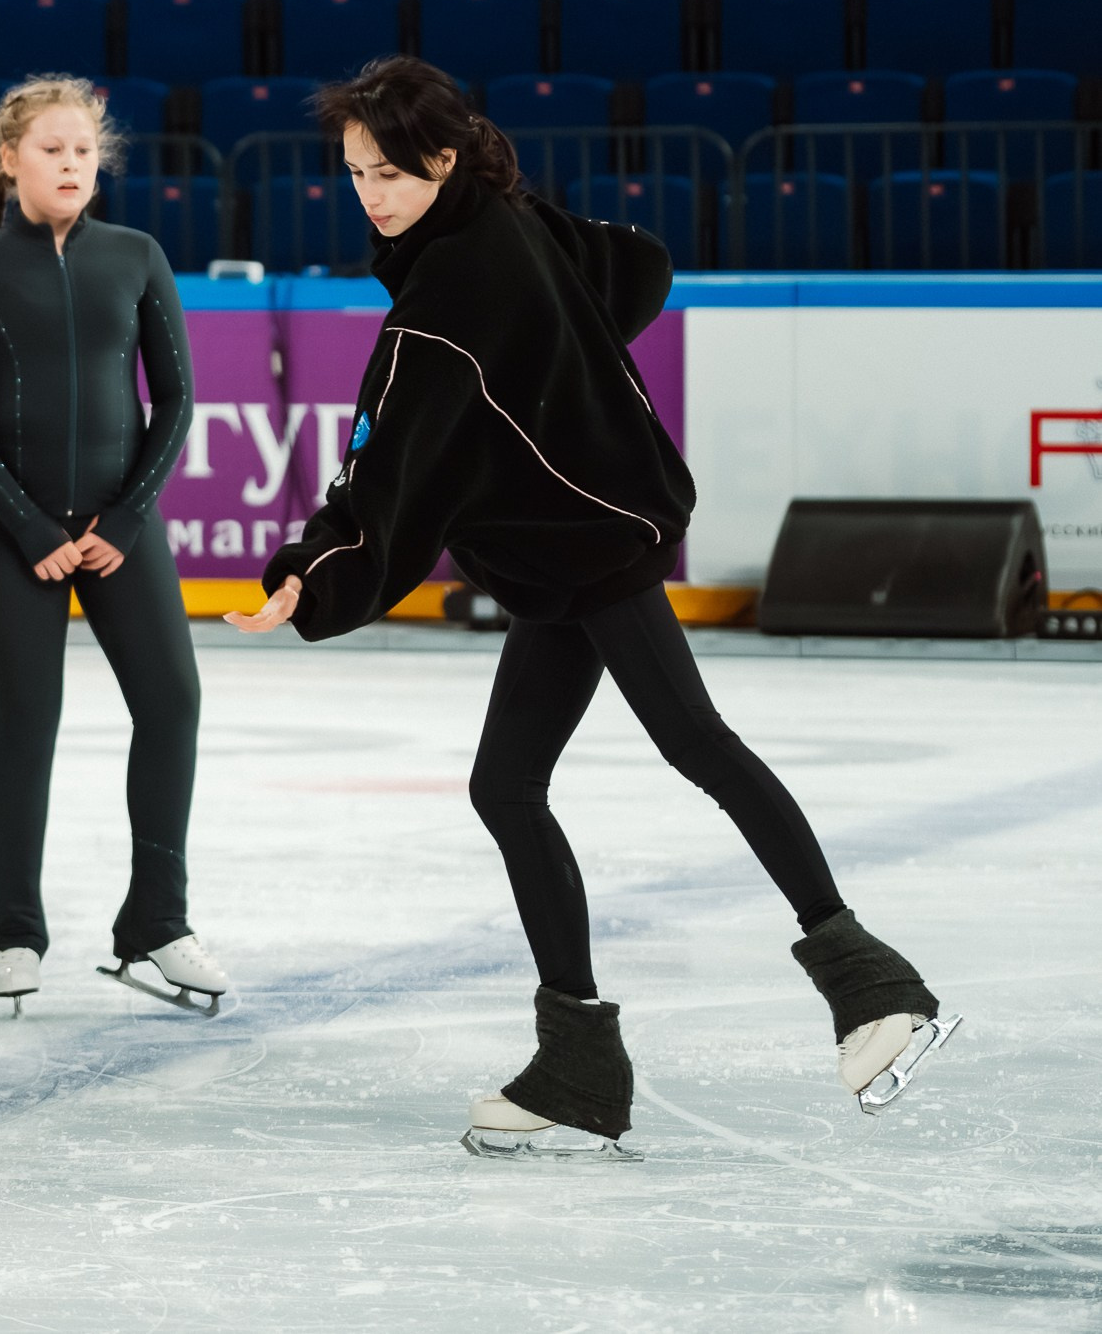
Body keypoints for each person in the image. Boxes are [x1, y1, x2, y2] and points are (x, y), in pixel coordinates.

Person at [228, 56, 954, 1158]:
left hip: (596, 541)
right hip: (566, 547)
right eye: (354, 173)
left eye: (387, 171)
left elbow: (383, 477)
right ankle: (577, 1059)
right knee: (506, 785)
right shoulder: (508, 223)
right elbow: (638, 265)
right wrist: (569, 369)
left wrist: (306, 572)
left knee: (694, 742)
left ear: (440, 159)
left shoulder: (444, 300)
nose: (369, 193)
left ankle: (869, 983)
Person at [0, 77, 222, 1016]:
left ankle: (157, 922)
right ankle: (15, 928)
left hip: (119, 529)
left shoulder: (136, 255)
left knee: (173, 702)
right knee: (28, 721)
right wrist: (30, 529)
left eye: (83, 151)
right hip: (15, 536)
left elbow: (174, 398)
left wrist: (125, 519)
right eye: (50, 150)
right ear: (9, 159)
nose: (69, 165)